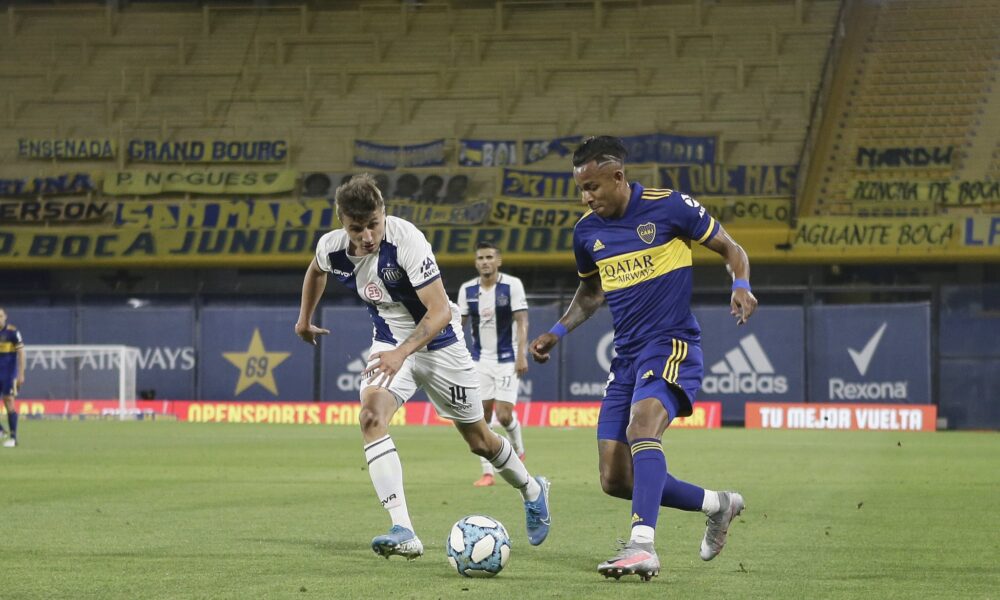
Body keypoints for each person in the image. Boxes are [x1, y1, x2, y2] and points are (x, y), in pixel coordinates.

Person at [529, 136, 757, 581]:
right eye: (581, 189)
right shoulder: (586, 232)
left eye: (592, 187)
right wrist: (557, 332)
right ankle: (718, 504)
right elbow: (591, 292)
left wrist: (741, 284)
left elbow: (732, 249)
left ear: (618, 176)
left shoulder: (669, 206)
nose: (586, 197)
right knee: (615, 478)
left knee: (642, 427)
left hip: (672, 343)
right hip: (626, 357)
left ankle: (642, 546)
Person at [295, 174, 551, 560]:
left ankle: (532, 489)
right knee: (370, 417)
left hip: (440, 343)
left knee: (479, 440)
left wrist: (403, 353)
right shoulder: (331, 247)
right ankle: (404, 530)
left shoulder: (407, 241)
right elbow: (316, 270)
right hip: (388, 342)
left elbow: (441, 310)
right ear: (342, 222)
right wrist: (304, 319)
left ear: (384, 212)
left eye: (373, 224)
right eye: (356, 228)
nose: (367, 236)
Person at [457, 242, 529, 487]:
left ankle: (519, 451)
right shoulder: (467, 290)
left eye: (489, 257)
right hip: (480, 361)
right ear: (476, 262)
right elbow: (459, 326)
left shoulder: (512, 285)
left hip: (507, 359)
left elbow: (522, 321)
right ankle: (488, 472)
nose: (485, 262)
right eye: (480, 258)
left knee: (504, 416)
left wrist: (522, 355)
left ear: (498, 261)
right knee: (482, 416)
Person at [0, 307, 25, 448]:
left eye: (0, 316)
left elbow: (21, 353)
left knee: (9, 402)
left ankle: (13, 438)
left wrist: (21, 374)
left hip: (8, 374)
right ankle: (1, 431)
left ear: (5, 317)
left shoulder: (12, 332)